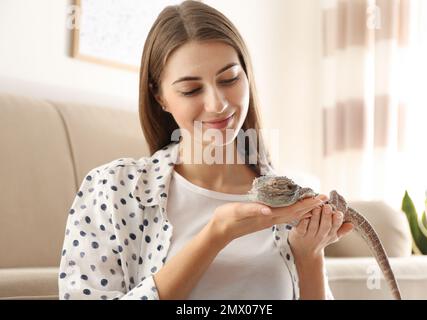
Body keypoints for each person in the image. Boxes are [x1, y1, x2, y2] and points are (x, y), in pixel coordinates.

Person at [58, 0, 353, 300]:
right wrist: (216, 235)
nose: (218, 104)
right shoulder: (113, 190)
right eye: (191, 90)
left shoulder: (287, 199)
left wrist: (310, 255)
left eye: (230, 79)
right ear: (159, 97)